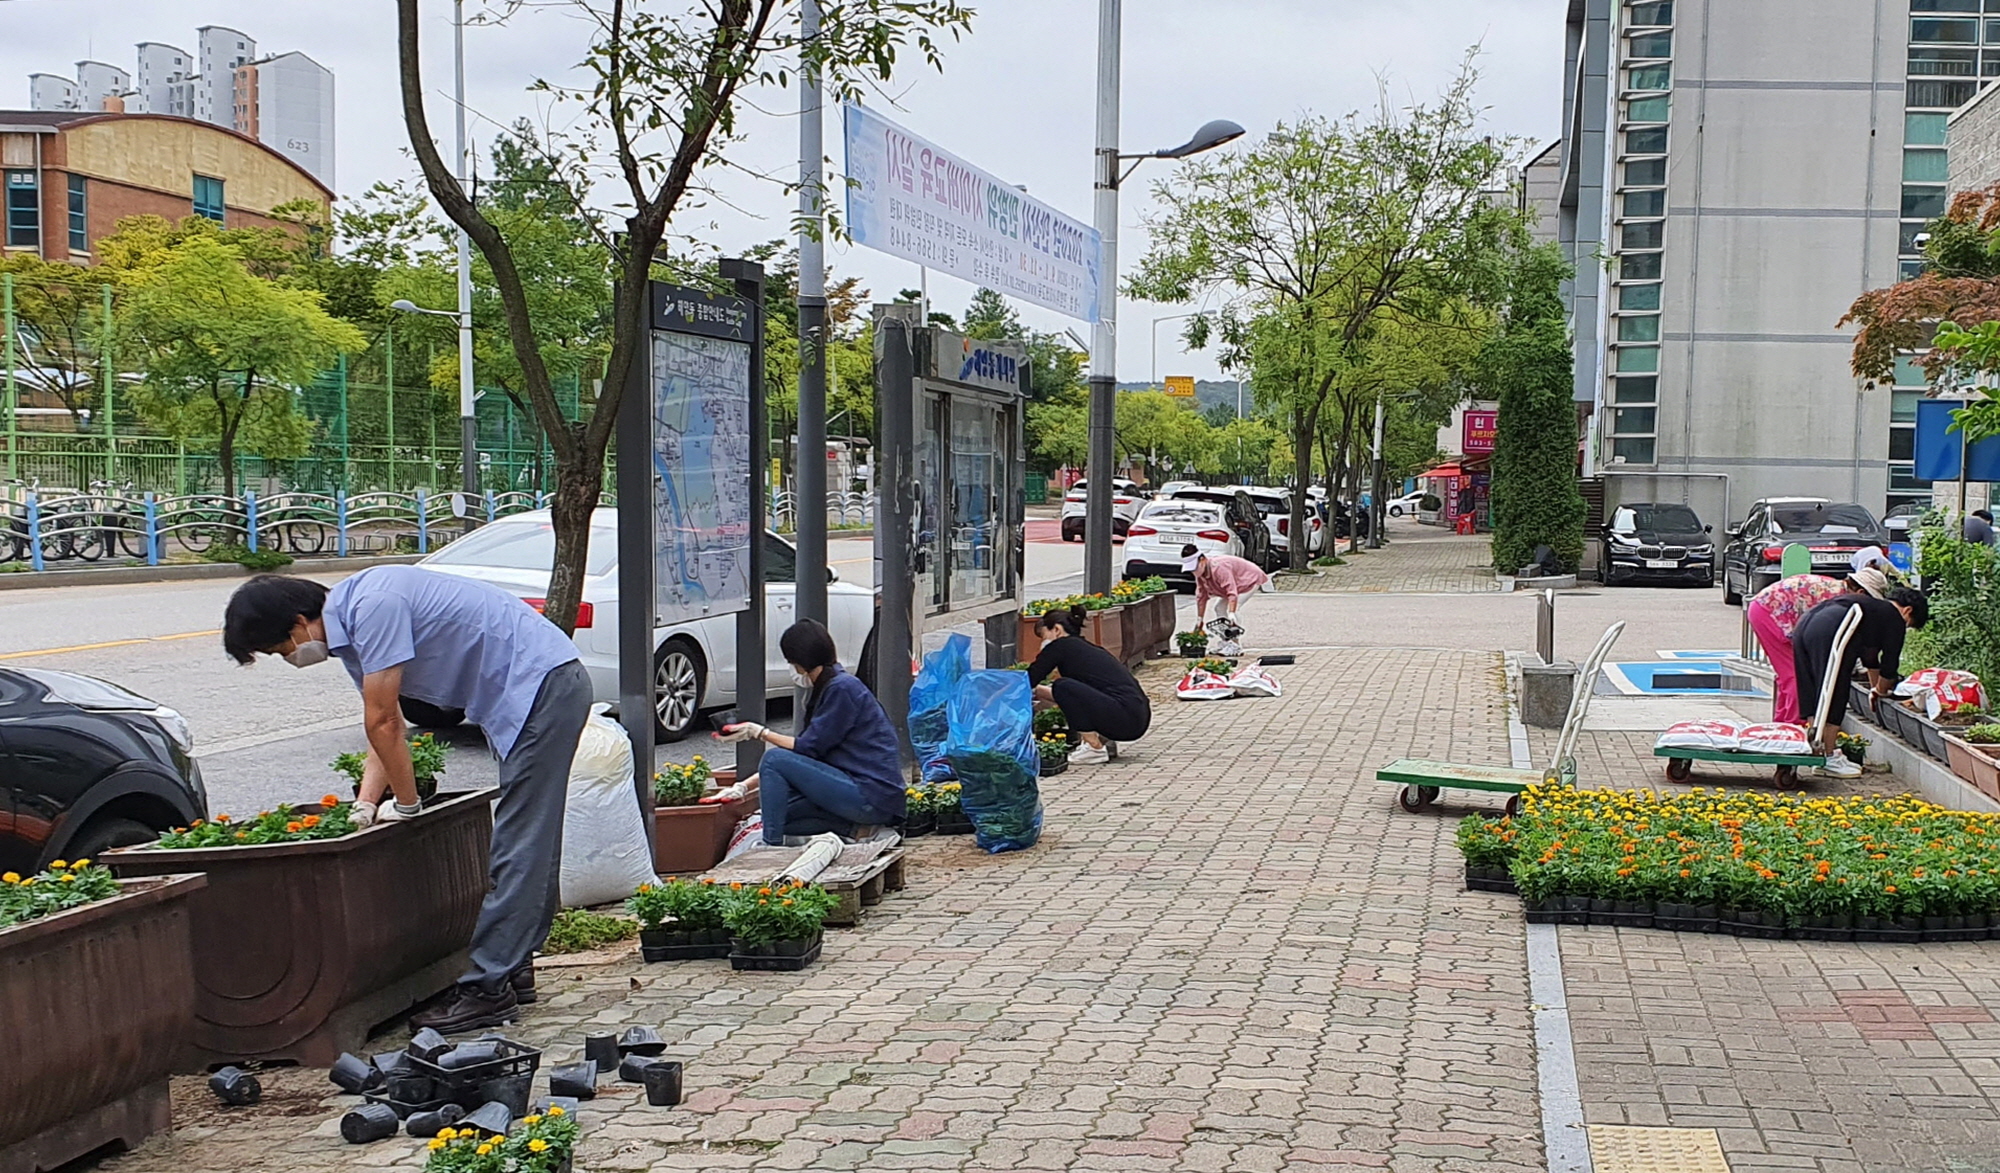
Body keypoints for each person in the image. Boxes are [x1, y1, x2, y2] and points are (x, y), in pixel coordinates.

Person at [222, 567, 590, 1033]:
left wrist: (409, 805)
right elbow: (385, 722)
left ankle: (487, 988)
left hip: (542, 687)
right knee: (530, 839)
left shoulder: (374, 607)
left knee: (522, 842)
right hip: (535, 689)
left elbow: (384, 725)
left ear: (299, 623)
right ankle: (512, 968)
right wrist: (364, 804)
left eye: (281, 649)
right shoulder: (353, 629)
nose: (289, 658)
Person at [716, 620, 905, 846]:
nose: (792, 669)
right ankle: (858, 829)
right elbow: (806, 756)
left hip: (871, 795)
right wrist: (742, 787)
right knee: (778, 812)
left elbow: (805, 748)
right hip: (864, 794)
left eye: (791, 662)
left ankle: (768, 848)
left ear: (800, 663)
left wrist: (760, 733)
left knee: (773, 758)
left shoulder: (841, 689)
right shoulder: (830, 687)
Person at [1791, 585, 1929, 777]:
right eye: (1909, 624)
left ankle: (1818, 751)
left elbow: (1871, 660)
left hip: (1807, 624)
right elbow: (1889, 668)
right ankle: (1828, 757)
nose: (1904, 627)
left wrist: (1874, 690)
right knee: (1835, 689)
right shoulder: (1894, 619)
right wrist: (1881, 691)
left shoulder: (1873, 610)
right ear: (1908, 611)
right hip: (1834, 630)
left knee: (1813, 687)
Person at [1746, 567, 1888, 722]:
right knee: (1796, 676)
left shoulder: (1836, 590)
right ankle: (1796, 725)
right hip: (1771, 614)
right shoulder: (1841, 600)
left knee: (1788, 674)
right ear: (1861, 593)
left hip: (1766, 610)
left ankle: (1782, 724)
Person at [1027, 604, 1151, 767]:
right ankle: (1104, 741)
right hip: (1137, 717)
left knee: (1062, 685)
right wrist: (1040, 692)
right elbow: (1082, 697)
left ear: (1056, 630)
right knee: (1065, 689)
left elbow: (1031, 677)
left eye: (1043, 636)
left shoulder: (1060, 646)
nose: (1043, 643)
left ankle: (1094, 747)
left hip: (1124, 717)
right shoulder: (1086, 649)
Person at [1184, 544, 1270, 628]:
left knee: (1235, 609)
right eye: (1191, 569)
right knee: (1219, 608)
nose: (1194, 572)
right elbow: (1201, 596)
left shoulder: (1219, 568)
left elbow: (1231, 591)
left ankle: (1235, 639)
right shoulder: (1200, 575)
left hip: (1249, 578)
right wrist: (1200, 619)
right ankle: (1225, 637)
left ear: (1202, 560)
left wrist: (1231, 612)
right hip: (1234, 583)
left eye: (1195, 567)